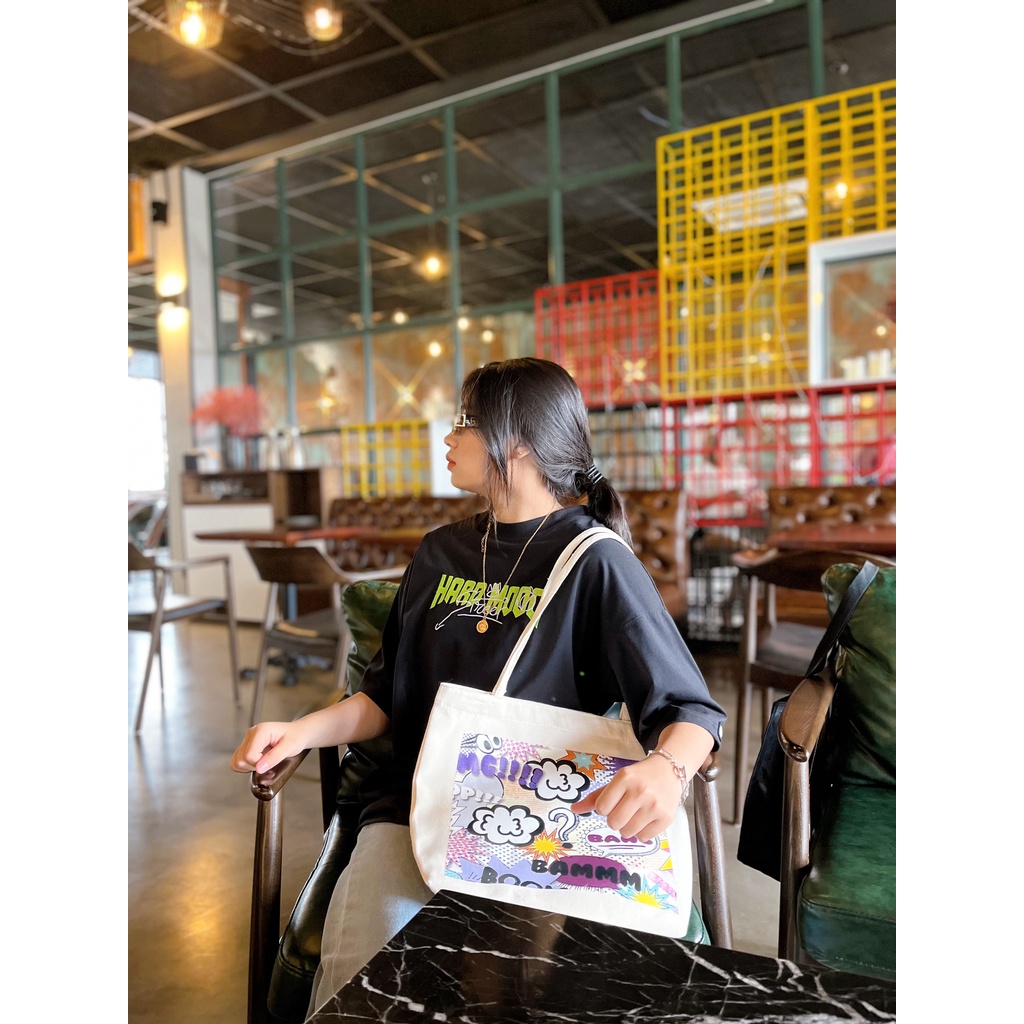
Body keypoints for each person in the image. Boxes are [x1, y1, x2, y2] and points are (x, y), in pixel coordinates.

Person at [231, 357, 726, 1015]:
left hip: (540, 827)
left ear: (516, 441)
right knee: (362, 985)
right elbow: (382, 696)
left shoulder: (597, 561)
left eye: (464, 421)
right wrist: (298, 731)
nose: (449, 436)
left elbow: (690, 709)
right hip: (413, 808)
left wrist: (668, 768)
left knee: (524, 995)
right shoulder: (439, 551)